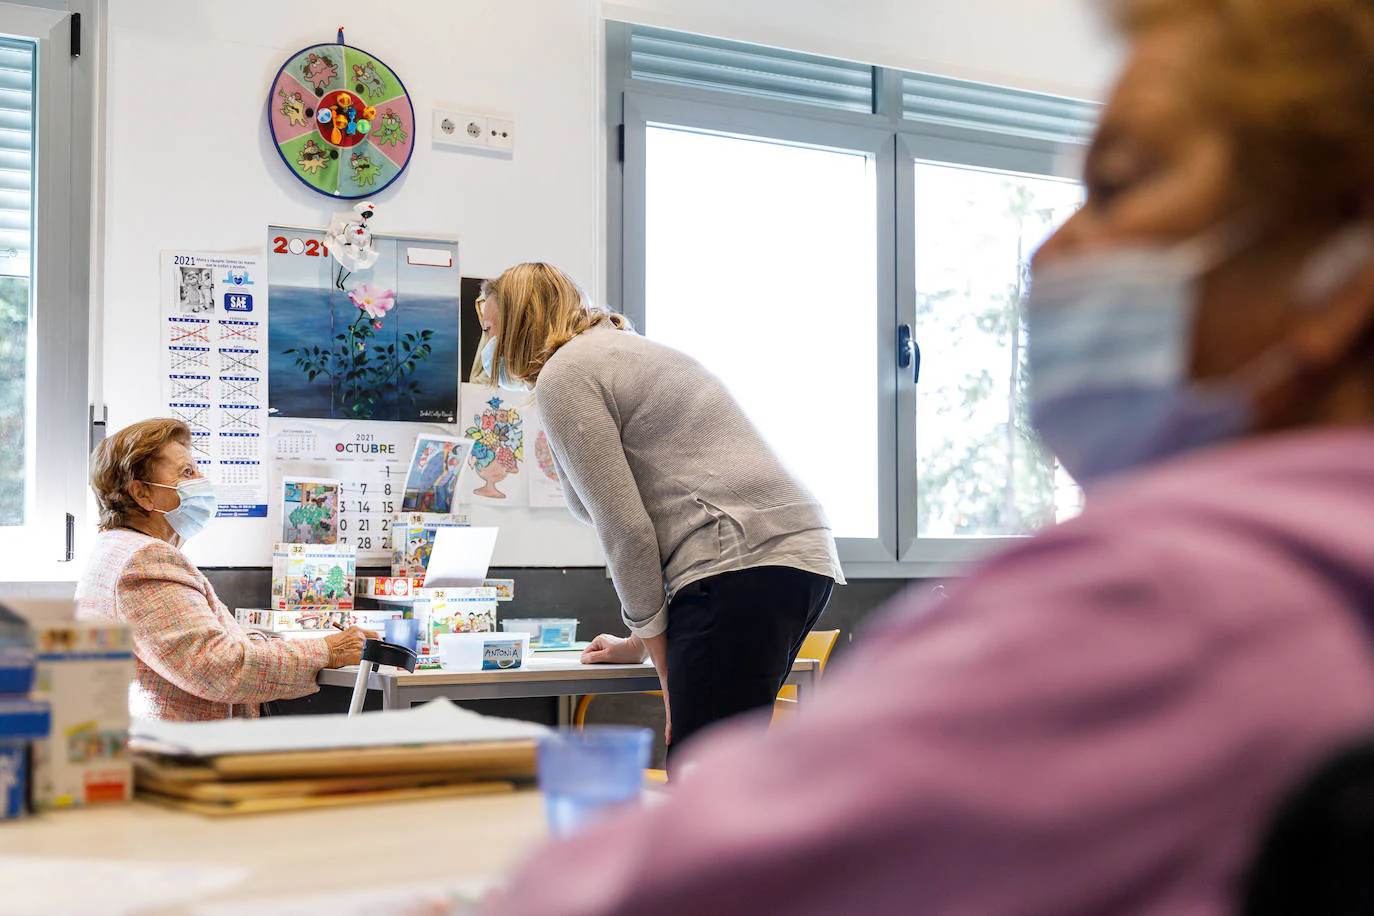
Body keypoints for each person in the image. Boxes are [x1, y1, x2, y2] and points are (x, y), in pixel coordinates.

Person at [483, 0, 1374, 912]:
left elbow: (683, 880)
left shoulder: (1159, 603)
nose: (1049, 251)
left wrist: (661, 667)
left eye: (1116, 185)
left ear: (1346, 276)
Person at [481, 263, 843, 755]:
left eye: (489, 328)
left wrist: (669, 674)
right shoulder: (626, 352)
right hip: (794, 556)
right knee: (726, 768)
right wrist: (640, 644)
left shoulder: (566, 373)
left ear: (520, 322)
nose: (487, 346)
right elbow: (668, 500)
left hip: (738, 562)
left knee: (701, 771)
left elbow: (627, 530)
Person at [76, 418, 373, 721]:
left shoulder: (115, 549)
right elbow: (218, 668)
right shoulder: (146, 559)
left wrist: (275, 644)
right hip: (181, 756)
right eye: (187, 472)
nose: (202, 481)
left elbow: (198, 646)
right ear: (142, 494)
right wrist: (329, 650)